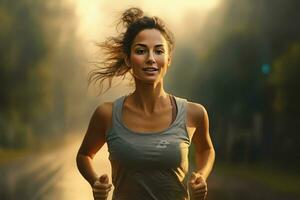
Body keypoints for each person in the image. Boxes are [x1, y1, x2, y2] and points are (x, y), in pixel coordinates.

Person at [76, 7, 215, 200]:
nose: (150, 58)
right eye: (141, 51)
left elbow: (206, 149)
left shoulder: (194, 113)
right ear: (128, 59)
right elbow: (84, 155)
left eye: (158, 51)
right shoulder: (106, 114)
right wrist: (95, 181)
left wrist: (201, 175)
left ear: (168, 59)